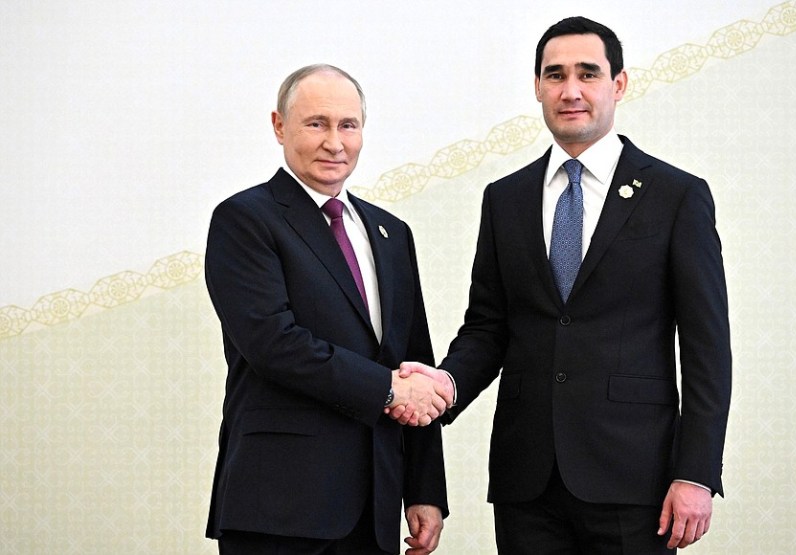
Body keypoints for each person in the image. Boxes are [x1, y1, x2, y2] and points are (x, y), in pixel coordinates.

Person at [392, 16, 732, 554]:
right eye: (555, 75)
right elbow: (488, 328)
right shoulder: (505, 198)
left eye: (587, 74)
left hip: (635, 480)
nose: (570, 90)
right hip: (527, 482)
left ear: (618, 84)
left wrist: (696, 472)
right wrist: (446, 385)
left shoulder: (675, 195)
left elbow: (707, 348)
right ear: (537, 87)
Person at [205, 64, 452, 555]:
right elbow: (274, 344)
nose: (334, 143)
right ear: (279, 126)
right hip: (280, 507)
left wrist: (424, 489)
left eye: (348, 125)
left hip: (376, 507)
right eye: (316, 123)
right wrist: (387, 389)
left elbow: (414, 361)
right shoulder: (245, 219)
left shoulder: (391, 232)